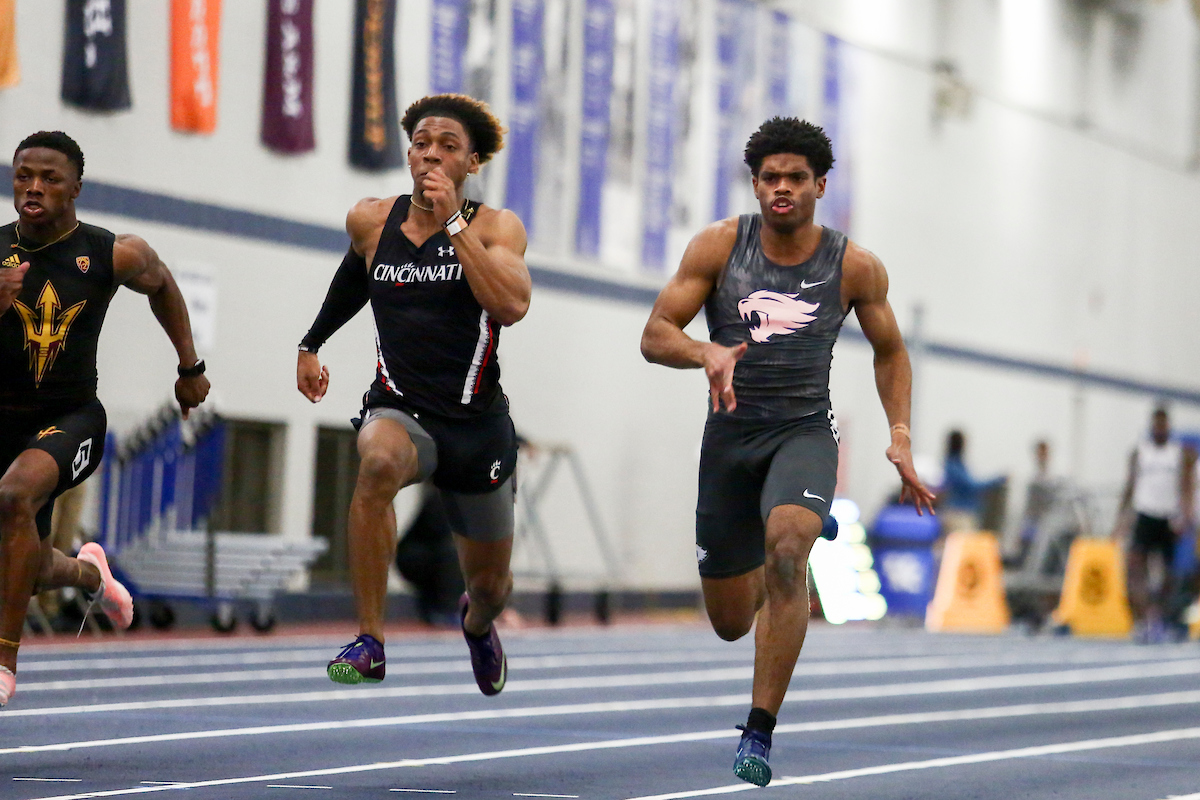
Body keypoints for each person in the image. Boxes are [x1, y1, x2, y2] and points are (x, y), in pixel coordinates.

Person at [640, 117, 935, 786]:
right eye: (770, 177)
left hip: (803, 431)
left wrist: (899, 435)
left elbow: (891, 352)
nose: (782, 188)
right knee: (729, 621)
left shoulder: (854, 265)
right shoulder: (719, 247)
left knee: (786, 550)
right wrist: (704, 351)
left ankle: (759, 730)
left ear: (819, 185)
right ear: (755, 184)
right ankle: (788, 518)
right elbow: (656, 334)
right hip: (730, 440)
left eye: (795, 178)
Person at [297, 94, 530, 696]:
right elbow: (355, 273)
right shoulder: (372, 219)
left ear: (470, 163)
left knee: (490, 589)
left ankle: (477, 626)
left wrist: (454, 224)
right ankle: (370, 640)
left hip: (476, 427)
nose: (431, 153)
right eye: (422, 142)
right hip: (401, 406)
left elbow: (510, 305)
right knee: (375, 461)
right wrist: (312, 342)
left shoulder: (496, 226)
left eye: (447, 145)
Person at [0, 131, 211, 706]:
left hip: (70, 418)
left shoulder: (113, 252)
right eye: (24, 176)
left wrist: (189, 366)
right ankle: (91, 574)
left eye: (49, 178)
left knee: (16, 496)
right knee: (32, 565)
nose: (34, 188)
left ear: (76, 189)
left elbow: (162, 283)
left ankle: (4, 659)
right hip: (5, 421)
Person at [1117, 406, 1195, 642]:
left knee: (1168, 573)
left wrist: (1186, 515)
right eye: (1156, 425)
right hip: (1145, 514)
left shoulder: (1180, 453)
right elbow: (1129, 487)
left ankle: (1158, 615)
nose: (1160, 429)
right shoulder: (1140, 452)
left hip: (1168, 517)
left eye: (1163, 425)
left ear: (1168, 426)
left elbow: (1186, 487)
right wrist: (1121, 519)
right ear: (1152, 426)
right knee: (1136, 566)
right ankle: (1144, 620)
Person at [938, 429, 1006, 536]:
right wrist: (997, 479)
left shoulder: (958, 464)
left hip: (964, 512)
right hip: (959, 513)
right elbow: (972, 486)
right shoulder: (953, 466)